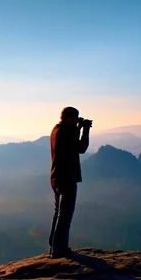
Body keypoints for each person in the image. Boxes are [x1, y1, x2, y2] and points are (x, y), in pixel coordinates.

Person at [48, 106, 91, 259]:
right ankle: (59, 248)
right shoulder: (66, 132)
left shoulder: (56, 130)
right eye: (75, 118)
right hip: (67, 178)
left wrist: (77, 128)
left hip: (56, 178)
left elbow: (70, 144)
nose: (76, 121)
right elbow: (81, 147)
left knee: (58, 213)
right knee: (65, 214)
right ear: (69, 118)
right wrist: (85, 130)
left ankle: (53, 245)